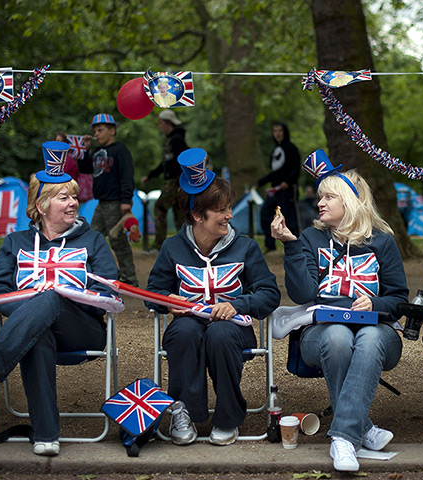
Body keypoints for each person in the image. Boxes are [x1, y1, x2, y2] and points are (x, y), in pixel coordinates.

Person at [0, 141, 119, 457]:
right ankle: (46, 434)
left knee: (51, 298)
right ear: (41, 206)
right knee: (38, 330)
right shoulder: (16, 241)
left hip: (83, 329)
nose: (73, 203)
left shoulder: (93, 240)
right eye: (63, 197)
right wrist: (35, 309)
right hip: (31, 331)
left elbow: (109, 292)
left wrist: (62, 300)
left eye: (73, 196)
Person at [271, 149, 407, 472]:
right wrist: (290, 244)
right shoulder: (310, 238)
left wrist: (376, 302)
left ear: (350, 201)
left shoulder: (382, 242)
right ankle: (357, 430)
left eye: (329, 196)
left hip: (380, 333)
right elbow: (302, 293)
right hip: (320, 333)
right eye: (320, 197)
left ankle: (345, 434)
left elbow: (399, 299)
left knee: (370, 338)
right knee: (337, 335)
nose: (320, 203)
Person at [145, 147, 280, 447]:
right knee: (183, 332)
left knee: (220, 335)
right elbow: (151, 293)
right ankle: (185, 413)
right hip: (189, 322)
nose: (230, 215)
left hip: (233, 328)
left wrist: (236, 305)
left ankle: (228, 417)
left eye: (229, 208)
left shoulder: (245, 247)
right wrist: (168, 299)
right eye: (221, 210)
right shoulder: (172, 248)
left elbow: (270, 294)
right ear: (197, 215)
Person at [78, 113, 138, 286]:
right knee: (93, 236)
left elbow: (127, 176)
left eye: (100, 130)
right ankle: (106, 273)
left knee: (118, 241)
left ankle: (129, 277)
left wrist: (126, 200)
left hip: (116, 202)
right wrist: (85, 149)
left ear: (112, 130)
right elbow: (85, 168)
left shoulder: (120, 150)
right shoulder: (96, 151)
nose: (96, 134)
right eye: (94, 131)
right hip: (101, 203)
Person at [140, 109, 188, 251]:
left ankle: (160, 244)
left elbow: (181, 162)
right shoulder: (171, 140)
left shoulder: (177, 140)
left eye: (161, 123)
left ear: (168, 123)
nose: (159, 126)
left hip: (175, 183)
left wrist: (181, 183)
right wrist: (151, 175)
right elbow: (165, 163)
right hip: (173, 182)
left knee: (159, 208)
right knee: (178, 213)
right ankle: (185, 245)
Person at [258, 121, 301, 253]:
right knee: (266, 213)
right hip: (275, 191)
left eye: (280, 131)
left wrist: (287, 182)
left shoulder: (291, 149)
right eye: (275, 131)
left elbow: (295, 169)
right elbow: (276, 172)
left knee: (290, 217)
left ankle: (296, 247)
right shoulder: (275, 150)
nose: (277, 134)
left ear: (285, 132)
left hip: (288, 191)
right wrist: (263, 181)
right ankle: (270, 245)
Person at [54, 132, 93, 203]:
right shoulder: (55, 159)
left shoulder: (70, 159)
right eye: (56, 141)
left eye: (60, 141)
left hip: (69, 192)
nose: (57, 144)